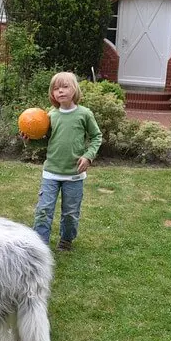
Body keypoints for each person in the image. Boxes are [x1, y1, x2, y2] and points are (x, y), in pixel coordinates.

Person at [22, 72, 102, 251]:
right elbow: (46, 140)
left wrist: (88, 156)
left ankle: (66, 240)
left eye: (65, 87)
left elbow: (97, 136)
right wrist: (30, 140)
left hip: (74, 175)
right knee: (44, 209)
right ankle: (40, 243)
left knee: (70, 213)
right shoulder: (50, 116)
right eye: (56, 89)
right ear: (52, 94)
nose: (61, 91)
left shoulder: (84, 114)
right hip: (51, 173)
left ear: (75, 89)